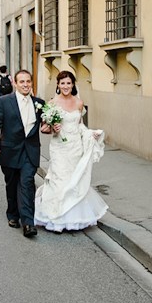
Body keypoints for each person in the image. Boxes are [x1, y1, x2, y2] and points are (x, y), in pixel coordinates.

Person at [34, 69, 107, 233]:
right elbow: (44, 128)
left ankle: (74, 218)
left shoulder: (79, 103)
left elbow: (80, 126)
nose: (66, 86)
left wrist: (90, 134)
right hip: (59, 147)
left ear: (73, 85)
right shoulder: (52, 103)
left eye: (69, 83)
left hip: (75, 147)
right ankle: (57, 217)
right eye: (63, 83)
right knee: (59, 178)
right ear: (58, 85)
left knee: (74, 180)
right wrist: (53, 127)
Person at [0, 69, 50, 238]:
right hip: (9, 151)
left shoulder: (40, 103)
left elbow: (47, 124)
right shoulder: (4, 102)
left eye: (28, 81)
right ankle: (13, 213)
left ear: (31, 83)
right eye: (22, 82)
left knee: (27, 184)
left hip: (30, 151)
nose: (25, 84)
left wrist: (49, 127)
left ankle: (28, 223)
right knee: (12, 184)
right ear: (15, 83)